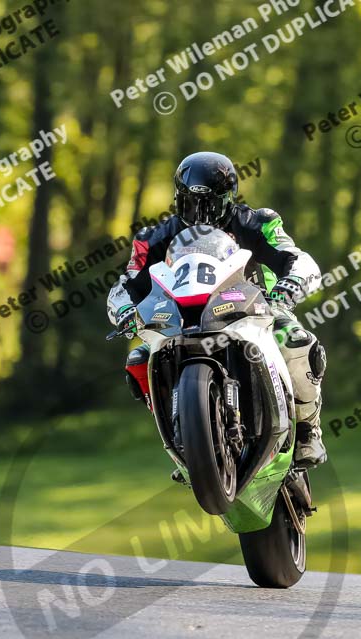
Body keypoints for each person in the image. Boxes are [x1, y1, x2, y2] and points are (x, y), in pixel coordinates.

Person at [107, 151, 327, 468]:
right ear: (177, 198)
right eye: (190, 202)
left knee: (295, 339)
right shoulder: (152, 238)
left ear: (228, 198)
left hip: (255, 309)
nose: (199, 212)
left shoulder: (257, 222)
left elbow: (295, 257)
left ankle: (308, 430)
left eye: (208, 203)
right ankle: (184, 439)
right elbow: (127, 282)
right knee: (138, 359)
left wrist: (291, 283)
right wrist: (125, 309)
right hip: (180, 316)